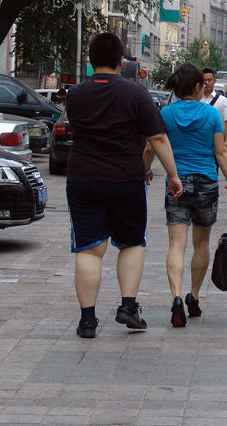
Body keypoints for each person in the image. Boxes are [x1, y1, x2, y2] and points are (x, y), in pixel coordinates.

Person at [65, 33, 182, 339]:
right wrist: (172, 174)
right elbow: (157, 138)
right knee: (130, 242)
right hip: (125, 179)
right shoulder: (136, 94)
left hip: (82, 179)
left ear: (90, 62)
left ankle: (87, 321)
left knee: (89, 249)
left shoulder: (75, 94)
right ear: (122, 61)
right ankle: (128, 307)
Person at [145, 64, 227, 328]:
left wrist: (144, 171)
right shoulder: (211, 114)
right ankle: (193, 297)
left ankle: (176, 297)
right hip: (206, 183)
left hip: (176, 182)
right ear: (198, 87)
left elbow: (151, 147)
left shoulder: (165, 113)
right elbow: (221, 152)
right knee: (201, 244)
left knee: (176, 244)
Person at [200, 68, 227, 155]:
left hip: (217, 142)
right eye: (204, 81)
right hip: (199, 141)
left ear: (214, 81)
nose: (207, 83)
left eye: (209, 80)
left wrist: (226, 141)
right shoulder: (196, 99)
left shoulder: (223, 101)